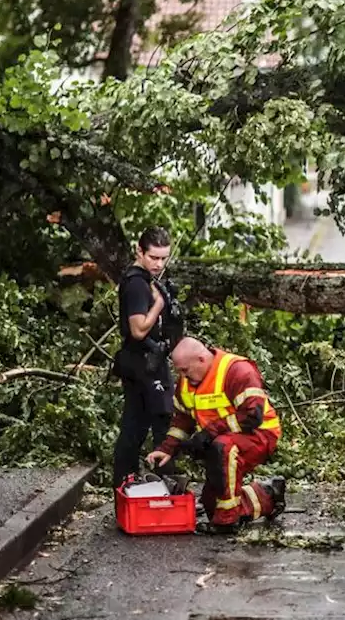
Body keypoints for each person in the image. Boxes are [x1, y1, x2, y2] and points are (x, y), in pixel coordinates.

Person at [145, 337, 286, 534]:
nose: (182, 376)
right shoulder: (187, 381)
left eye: (185, 370)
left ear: (202, 359)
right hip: (222, 438)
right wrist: (167, 448)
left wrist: (208, 433)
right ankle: (269, 495)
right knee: (213, 505)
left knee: (223, 448)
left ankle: (227, 523)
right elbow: (182, 419)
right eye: (179, 371)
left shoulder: (237, 371)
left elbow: (252, 416)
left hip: (259, 434)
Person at [111, 226, 183, 488]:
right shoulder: (137, 284)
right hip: (144, 362)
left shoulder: (141, 280)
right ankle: (166, 484)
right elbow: (138, 329)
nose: (159, 264)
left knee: (136, 423)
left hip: (140, 362)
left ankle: (126, 483)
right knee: (162, 419)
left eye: (164, 258)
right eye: (154, 257)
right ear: (139, 251)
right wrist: (159, 306)